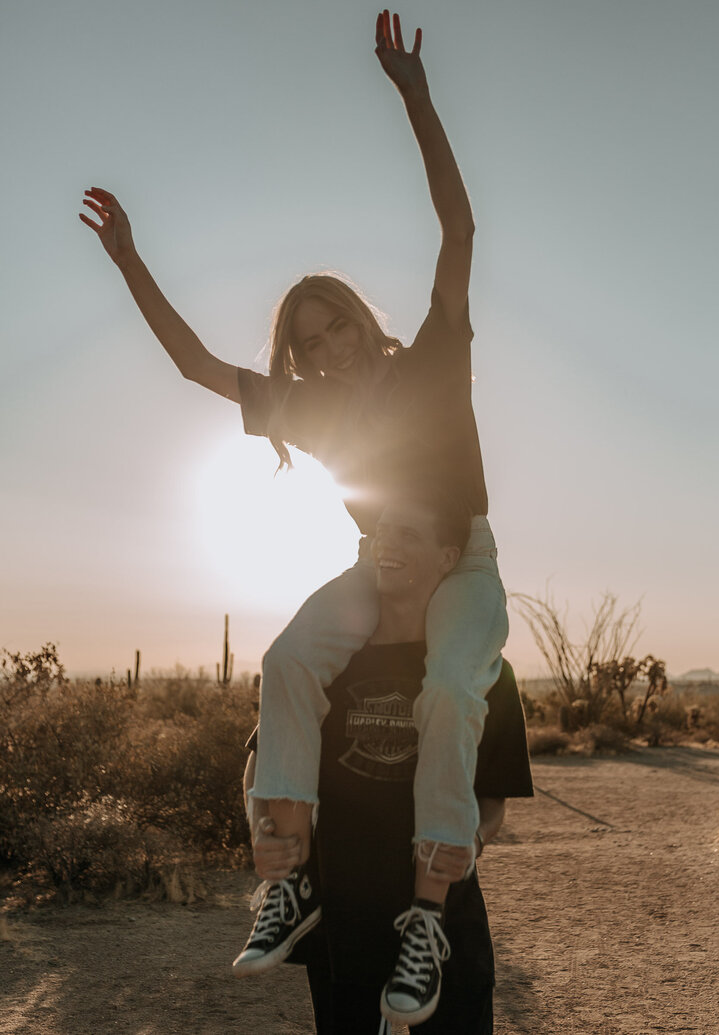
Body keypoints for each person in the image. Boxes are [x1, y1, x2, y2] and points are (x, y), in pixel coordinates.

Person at [80, 12, 508, 1023]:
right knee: (283, 661)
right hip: (377, 566)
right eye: (306, 344)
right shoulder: (309, 410)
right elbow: (193, 364)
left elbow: (458, 231)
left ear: (363, 320)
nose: (326, 352)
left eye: (336, 328)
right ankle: (290, 874)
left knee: (450, 683)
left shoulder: (435, 363)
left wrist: (413, 96)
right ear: (301, 360)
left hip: (462, 563)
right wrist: (130, 262)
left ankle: (428, 916)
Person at [241, 493, 533, 1033]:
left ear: (449, 558)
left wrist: (474, 842)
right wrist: (263, 830)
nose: (387, 546)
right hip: (342, 923)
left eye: (409, 535)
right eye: (383, 532)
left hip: (444, 931)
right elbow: (263, 763)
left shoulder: (481, 673)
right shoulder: (327, 658)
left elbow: (492, 800)